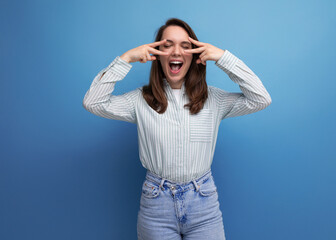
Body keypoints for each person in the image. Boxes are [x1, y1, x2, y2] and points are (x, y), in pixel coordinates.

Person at [83, 18, 271, 240]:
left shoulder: (214, 99)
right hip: (156, 206)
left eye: (185, 45)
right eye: (167, 44)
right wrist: (126, 59)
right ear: (156, 54)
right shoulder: (139, 100)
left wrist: (222, 57)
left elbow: (260, 98)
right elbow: (93, 102)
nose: (176, 51)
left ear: (195, 55)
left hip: (204, 203)